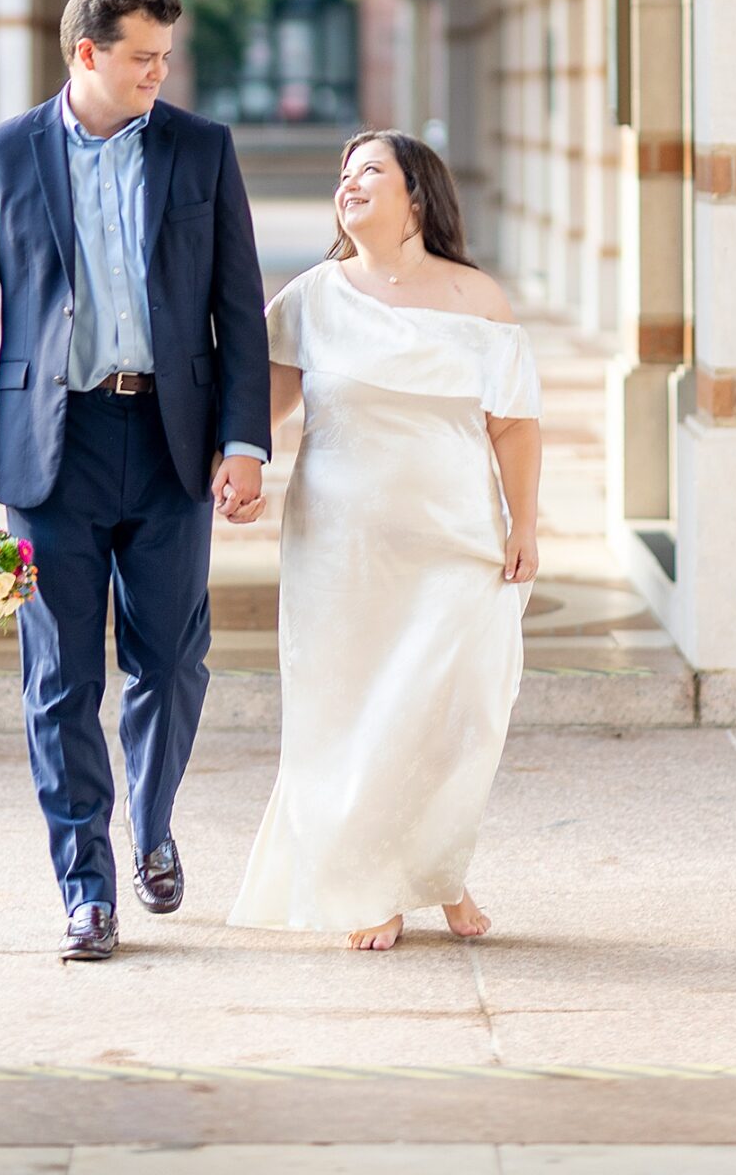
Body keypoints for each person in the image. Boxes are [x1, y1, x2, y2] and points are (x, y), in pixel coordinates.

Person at [0, 0, 272, 962]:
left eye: (166, 57)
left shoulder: (202, 150)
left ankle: (151, 822)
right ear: (87, 53)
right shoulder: (4, 155)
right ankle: (87, 887)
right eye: (142, 58)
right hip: (47, 453)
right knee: (61, 679)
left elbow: (237, 306)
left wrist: (244, 441)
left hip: (170, 448)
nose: (159, 73)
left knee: (172, 660)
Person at [230, 128, 541, 951]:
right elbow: (259, 410)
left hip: (455, 536)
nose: (349, 183)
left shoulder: (478, 298)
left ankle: (436, 864)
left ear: (417, 194)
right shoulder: (311, 297)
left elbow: (511, 425)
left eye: (370, 170)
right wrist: (231, 464)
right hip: (341, 546)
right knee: (351, 707)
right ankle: (371, 879)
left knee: (457, 707)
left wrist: (525, 523)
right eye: (344, 173)